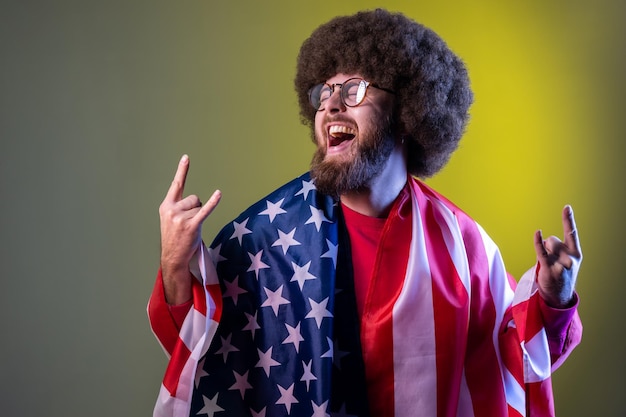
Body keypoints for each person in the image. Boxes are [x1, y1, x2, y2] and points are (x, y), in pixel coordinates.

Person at [148, 9, 582, 417]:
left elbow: (517, 356)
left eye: (353, 90)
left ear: (408, 113)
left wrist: (553, 299)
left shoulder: (464, 246)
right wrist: (174, 263)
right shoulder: (261, 237)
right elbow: (197, 353)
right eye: (324, 94)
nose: (331, 106)